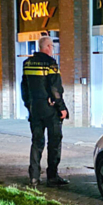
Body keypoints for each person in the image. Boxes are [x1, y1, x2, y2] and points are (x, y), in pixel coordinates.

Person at [21, 35, 69, 187]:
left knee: (37, 142)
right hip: (50, 110)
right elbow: (55, 88)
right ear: (47, 47)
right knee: (54, 142)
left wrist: (29, 105)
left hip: (35, 109)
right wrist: (61, 107)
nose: (52, 49)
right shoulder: (51, 64)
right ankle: (52, 176)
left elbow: (24, 87)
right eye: (52, 47)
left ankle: (34, 177)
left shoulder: (27, 64)